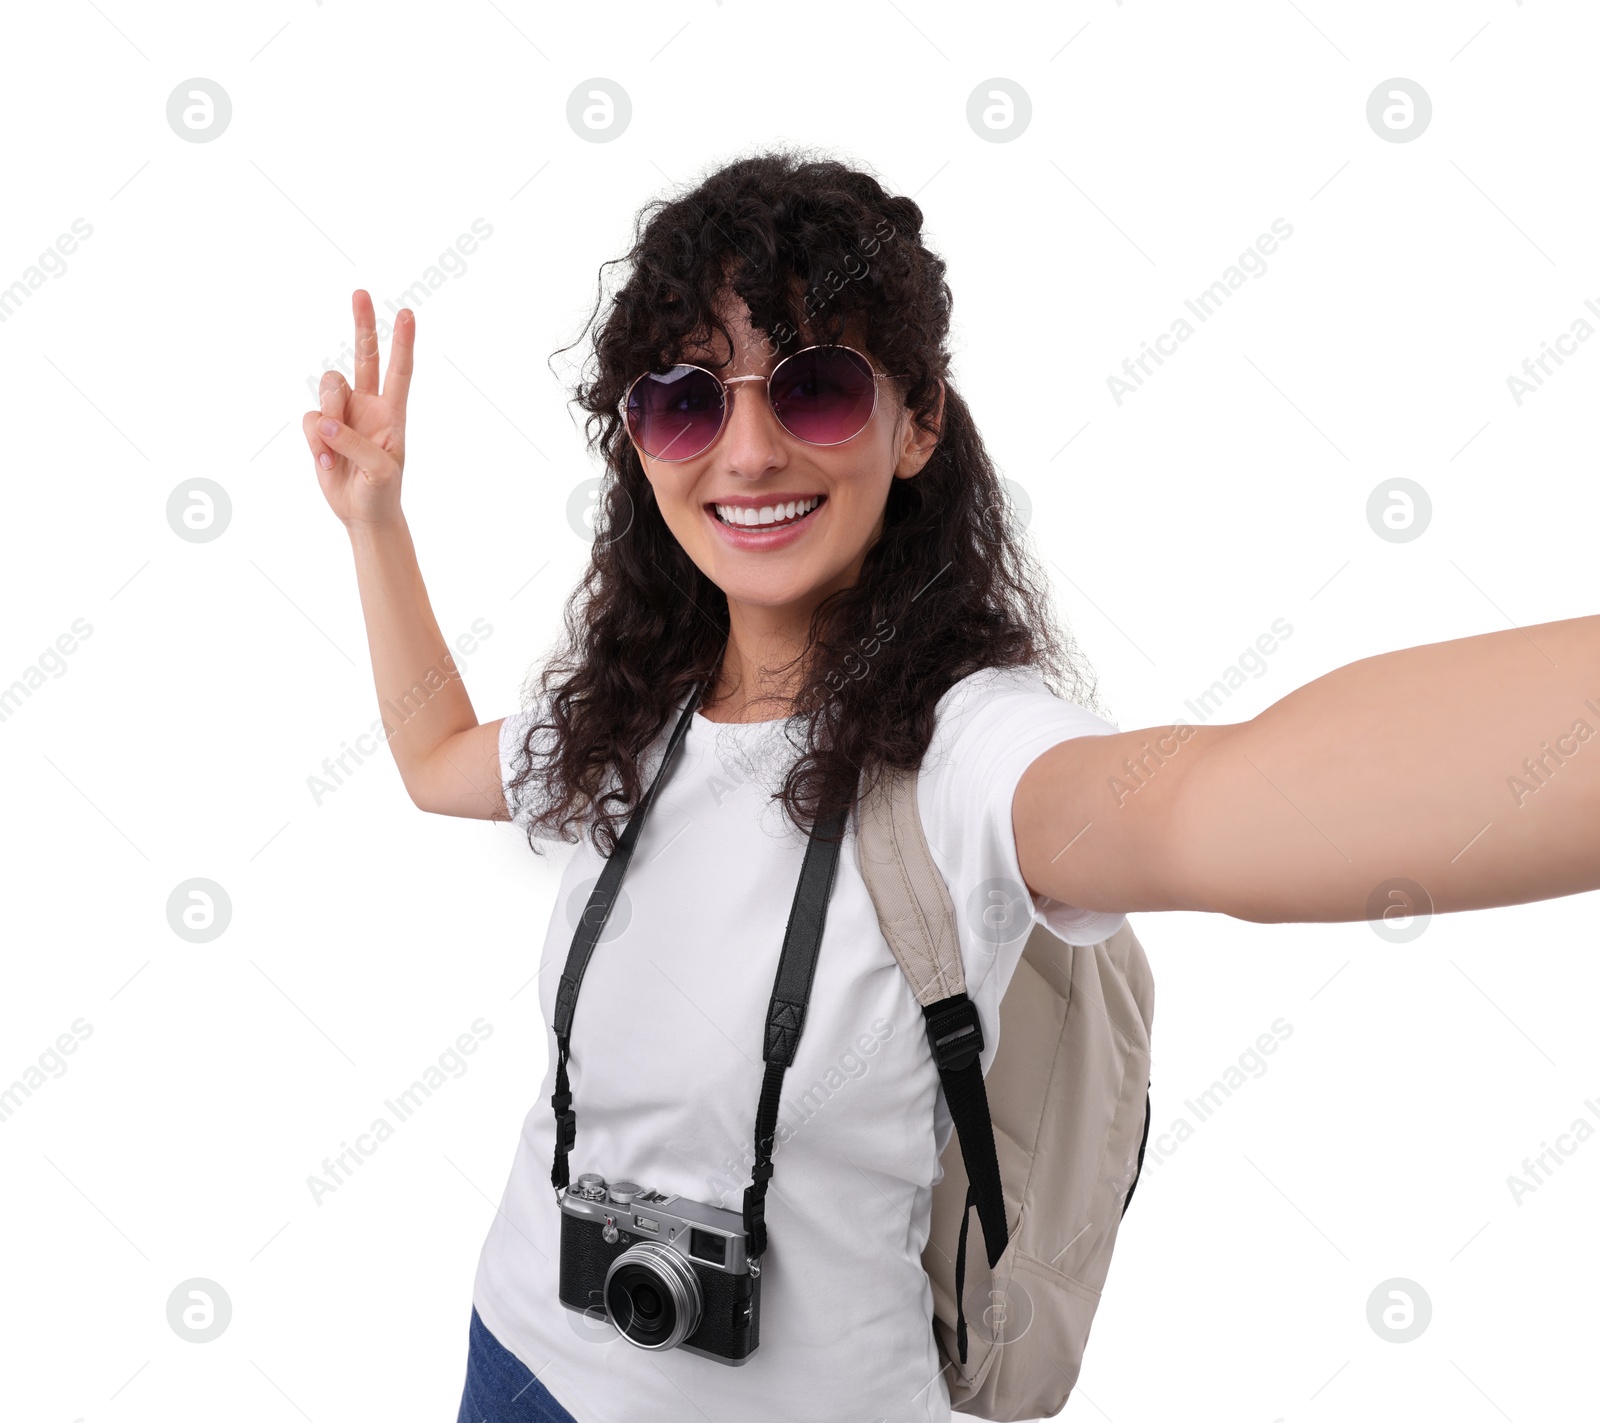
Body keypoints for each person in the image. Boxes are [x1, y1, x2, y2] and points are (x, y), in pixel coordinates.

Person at [301, 152, 1599, 1423]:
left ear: (918, 421)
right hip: (521, 1359)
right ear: (641, 445)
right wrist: (375, 518)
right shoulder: (632, 720)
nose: (745, 452)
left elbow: (1217, 804)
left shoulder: (965, 755)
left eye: (811, 389)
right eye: (689, 400)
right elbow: (436, 760)